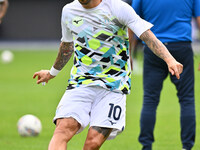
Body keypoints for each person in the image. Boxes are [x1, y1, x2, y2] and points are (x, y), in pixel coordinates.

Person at [33, 0, 183, 149]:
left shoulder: (118, 8)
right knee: (62, 130)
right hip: (80, 83)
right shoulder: (69, 11)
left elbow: (146, 35)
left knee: (92, 144)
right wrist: (52, 73)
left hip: (114, 86)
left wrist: (169, 59)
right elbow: (67, 45)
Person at [131, 0, 200, 150]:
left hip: (154, 47)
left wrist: (129, 53)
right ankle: (187, 147)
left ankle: (146, 146)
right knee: (187, 99)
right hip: (181, 47)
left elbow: (131, 19)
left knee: (150, 100)